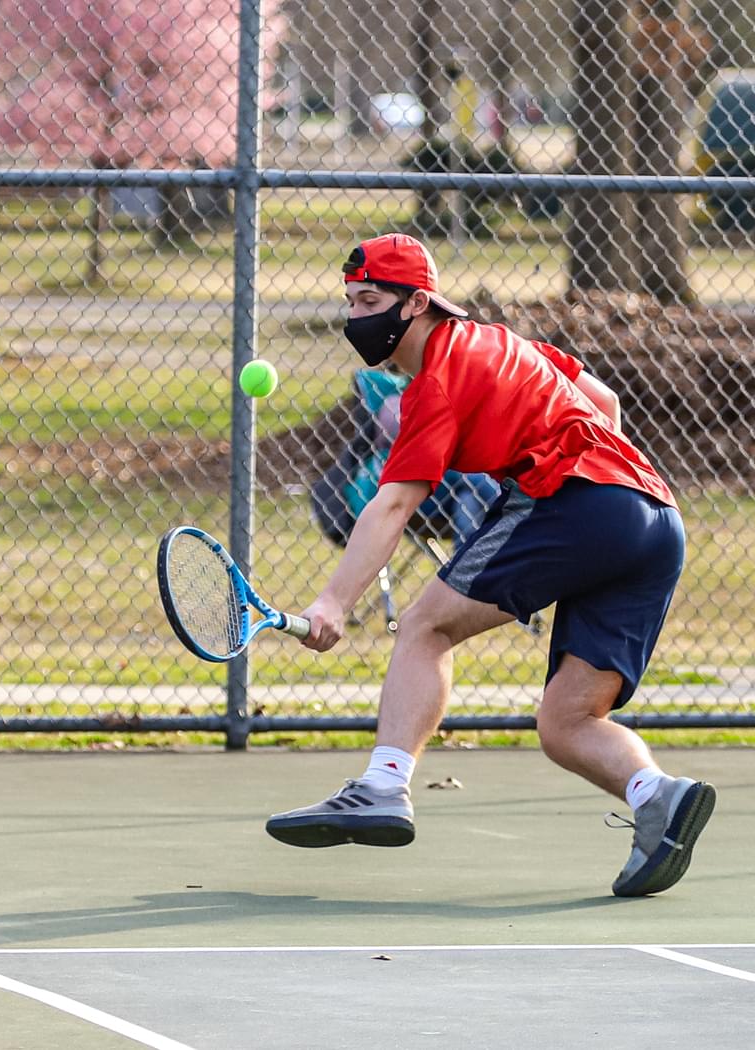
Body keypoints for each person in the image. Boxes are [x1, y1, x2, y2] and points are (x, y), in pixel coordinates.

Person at [264, 233, 716, 897]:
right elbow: (606, 403)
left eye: (369, 300)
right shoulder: (503, 341)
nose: (356, 317)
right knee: (566, 723)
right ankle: (659, 797)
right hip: (655, 519)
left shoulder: (436, 381)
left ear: (417, 302)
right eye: (351, 301)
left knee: (424, 626)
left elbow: (392, 506)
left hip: (578, 502)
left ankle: (383, 785)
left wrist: (332, 602)